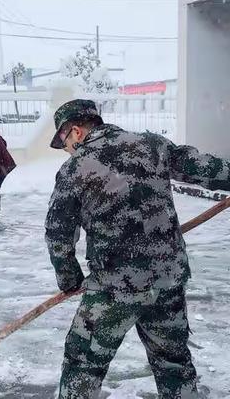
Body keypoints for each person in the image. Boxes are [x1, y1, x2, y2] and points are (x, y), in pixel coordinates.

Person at [45, 99, 230, 399]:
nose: (66, 150)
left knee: (82, 367)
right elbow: (206, 168)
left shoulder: (75, 168)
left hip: (115, 288)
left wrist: (69, 279)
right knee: (174, 365)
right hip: (167, 280)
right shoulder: (152, 145)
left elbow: (58, 232)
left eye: (64, 142)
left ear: (75, 131)